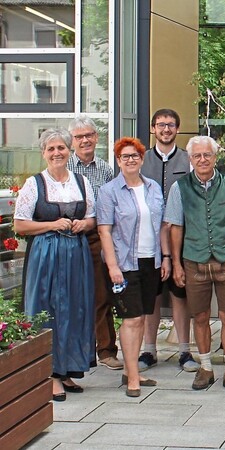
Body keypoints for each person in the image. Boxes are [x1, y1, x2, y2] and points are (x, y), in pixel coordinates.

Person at [164, 136, 225, 394]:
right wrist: (177, 264)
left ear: (215, 157)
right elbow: (176, 227)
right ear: (190, 159)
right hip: (194, 258)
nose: (202, 160)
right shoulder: (180, 188)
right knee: (200, 315)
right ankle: (205, 367)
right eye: (197, 156)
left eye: (207, 155)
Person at [14, 128, 96, 401]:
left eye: (61, 148)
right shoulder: (33, 184)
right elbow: (20, 225)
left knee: (75, 307)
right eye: (51, 149)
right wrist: (52, 224)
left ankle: (68, 368)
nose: (57, 153)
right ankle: (49, 375)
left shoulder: (81, 181)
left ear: (69, 151)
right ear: (44, 154)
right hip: (45, 256)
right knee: (47, 308)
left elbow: (92, 218)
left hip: (76, 255)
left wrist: (84, 223)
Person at [97, 137, 169, 397]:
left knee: (142, 319)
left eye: (134, 155)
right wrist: (113, 266)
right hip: (124, 264)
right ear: (118, 161)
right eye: (124, 156)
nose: (130, 159)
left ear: (141, 159)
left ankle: (131, 370)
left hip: (151, 260)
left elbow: (162, 225)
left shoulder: (152, 188)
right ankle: (133, 378)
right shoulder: (109, 191)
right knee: (132, 319)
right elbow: (104, 231)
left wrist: (166, 258)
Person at [139, 109, 199, 372]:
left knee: (179, 292)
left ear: (177, 129)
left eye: (171, 125)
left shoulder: (188, 160)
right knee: (150, 294)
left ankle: (184, 351)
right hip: (146, 237)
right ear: (153, 128)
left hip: (181, 236)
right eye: (161, 125)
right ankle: (148, 350)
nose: (166, 129)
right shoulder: (141, 160)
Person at [66, 116, 120, 371]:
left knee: (101, 295)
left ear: (97, 137)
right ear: (72, 141)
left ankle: (107, 350)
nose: (85, 140)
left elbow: (110, 205)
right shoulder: (63, 167)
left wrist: (92, 222)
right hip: (67, 238)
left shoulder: (106, 169)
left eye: (89, 135)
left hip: (98, 237)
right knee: (72, 297)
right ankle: (77, 352)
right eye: (79, 137)